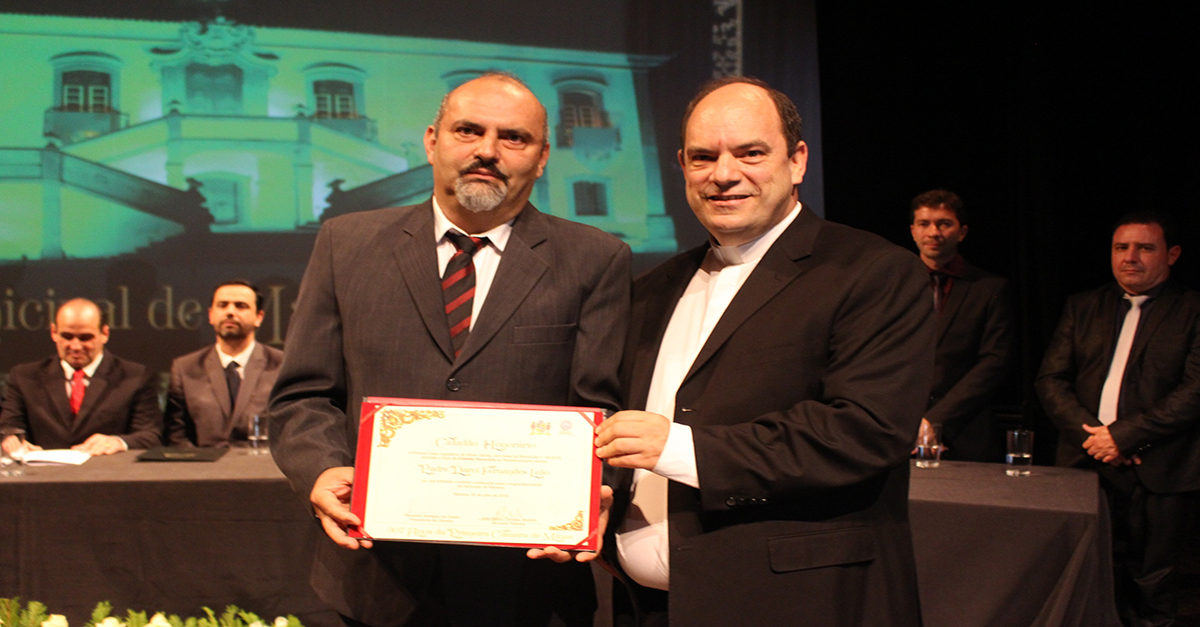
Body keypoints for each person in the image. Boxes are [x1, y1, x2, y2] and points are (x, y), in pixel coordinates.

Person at [269, 72, 630, 627]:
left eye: (513, 138)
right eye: (468, 130)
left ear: (542, 157)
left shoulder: (595, 259)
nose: (487, 150)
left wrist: (590, 495)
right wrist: (320, 471)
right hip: (377, 578)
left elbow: (599, 408)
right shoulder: (346, 243)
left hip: (529, 582)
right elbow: (303, 395)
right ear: (432, 140)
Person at [592, 77, 933, 626]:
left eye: (750, 153)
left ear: (797, 161)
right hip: (649, 607)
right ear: (681, 166)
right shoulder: (652, 288)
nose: (724, 174)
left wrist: (680, 449)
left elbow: (866, 430)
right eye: (703, 157)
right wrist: (599, 509)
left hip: (797, 605)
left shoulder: (872, 272)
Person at [1036, 212, 1200, 627]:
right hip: (1085, 462)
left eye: (1145, 248)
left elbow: (1194, 391)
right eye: (1121, 247)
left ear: (1172, 254)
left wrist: (1124, 438)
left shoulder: (1193, 310)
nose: (1131, 257)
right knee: (1085, 578)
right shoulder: (1083, 305)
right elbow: (1051, 379)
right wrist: (1095, 438)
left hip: (1161, 467)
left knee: (1153, 584)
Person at [909, 189, 1014, 461]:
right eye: (924, 224)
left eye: (944, 224)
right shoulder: (892, 287)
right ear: (913, 231)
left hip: (966, 431)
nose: (933, 232)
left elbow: (994, 363)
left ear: (962, 232)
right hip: (901, 430)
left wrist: (936, 421)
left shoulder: (989, 288)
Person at [0, 298, 161, 455]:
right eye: (67, 336)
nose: (75, 346)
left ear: (104, 334)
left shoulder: (136, 377)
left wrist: (118, 442)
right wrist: (12, 441)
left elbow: (150, 436)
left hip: (108, 476)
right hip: (41, 476)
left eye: (85, 337)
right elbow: (8, 427)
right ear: (54, 333)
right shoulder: (24, 377)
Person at [164, 280, 284, 447]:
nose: (230, 312)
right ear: (211, 315)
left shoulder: (282, 365)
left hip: (263, 468)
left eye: (240, 306)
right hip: (202, 469)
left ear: (259, 317)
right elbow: (175, 434)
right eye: (223, 305)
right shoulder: (185, 367)